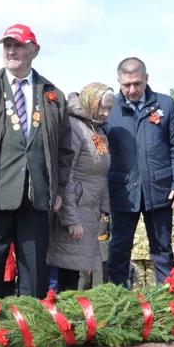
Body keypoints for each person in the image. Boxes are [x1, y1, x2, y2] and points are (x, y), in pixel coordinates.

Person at [0, 24, 73, 298]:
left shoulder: (52, 95)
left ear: (35, 50)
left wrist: (58, 190)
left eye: (18, 45)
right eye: (7, 45)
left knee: (34, 280)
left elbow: (65, 151)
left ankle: (29, 334)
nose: (11, 50)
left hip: (36, 199)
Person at [104, 57, 174, 287]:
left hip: (160, 192)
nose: (131, 90)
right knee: (119, 249)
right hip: (122, 191)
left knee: (162, 250)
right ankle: (118, 302)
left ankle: (167, 303)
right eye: (126, 85)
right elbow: (98, 148)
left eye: (136, 83)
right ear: (118, 82)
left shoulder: (166, 105)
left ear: (146, 79)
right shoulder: (109, 109)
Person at [46, 82, 113, 291]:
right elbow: (66, 174)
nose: (106, 113)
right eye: (103, 107)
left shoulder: (96, 130)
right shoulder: (75, 127)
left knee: (74, 275)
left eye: (110, 108)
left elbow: (101, 172)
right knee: (63, 276)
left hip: (89, 211)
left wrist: (104, 208)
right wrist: (71, 219)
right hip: (73, 210)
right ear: (90, 102)